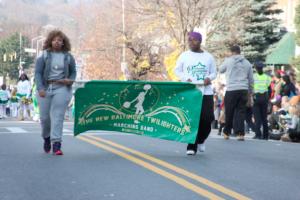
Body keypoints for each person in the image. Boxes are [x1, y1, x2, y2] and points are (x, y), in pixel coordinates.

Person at [35, 29, 76, 155]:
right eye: (54, 40)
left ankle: (57, 144)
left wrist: (70, 80)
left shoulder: (68, 57)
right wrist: (40, 88)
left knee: (57, 116)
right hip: (46, 88)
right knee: (44, 118)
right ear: (50, 41)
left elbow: (73, 71)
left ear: (63, 43)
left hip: (62, 88)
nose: (57, 42)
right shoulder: (43, 55)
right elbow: (38, 73)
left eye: (60, 40)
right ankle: (46, 138)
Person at [174, 31, 216, 155]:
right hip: (191, 91)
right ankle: (191, 146)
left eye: (194, 40)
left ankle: (201, 139)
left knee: (207, 119)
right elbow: (177, 70)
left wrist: (209, 78)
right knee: (192, 119)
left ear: (200, 41)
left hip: (206, 92)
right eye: (189, 40)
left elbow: (214, 72)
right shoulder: (184, 56)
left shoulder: (208, 57)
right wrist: (184, 78)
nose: (191, 42)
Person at [219, 45, 253, 141]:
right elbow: (251, 80)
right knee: (240, 112)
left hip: (231, 89)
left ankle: (227, 132)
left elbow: (221, 70)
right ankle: (240, 134)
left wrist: (226, 61)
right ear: (239, 52)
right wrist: (250, 93)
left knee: (229, 111)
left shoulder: (228, 60)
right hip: (243, 89)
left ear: (231, 52)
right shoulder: (247, 63)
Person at [252, 61, 271, 139]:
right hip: (264, 98)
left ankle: (258, 134)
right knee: (264, 117)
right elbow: (269, 89)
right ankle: (266, 135)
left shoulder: (254, 77)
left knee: (257, 117)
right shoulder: (267, 77)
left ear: (256, 68)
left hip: (256, 97)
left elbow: (251, 88)